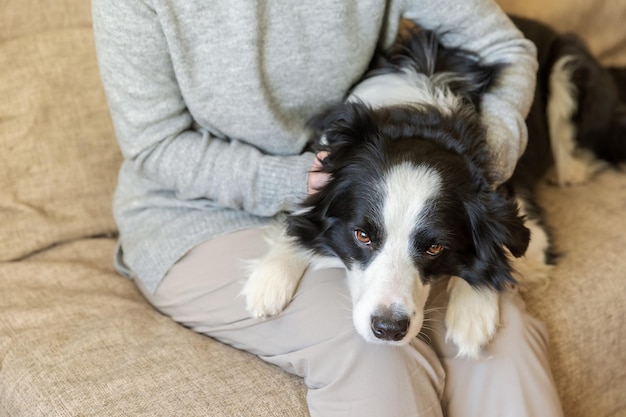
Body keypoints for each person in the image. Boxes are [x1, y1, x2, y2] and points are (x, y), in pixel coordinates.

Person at [92, 1, 564, 416]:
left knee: (502, 341)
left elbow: (507, 49)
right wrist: (309, 180)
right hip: (195, 211)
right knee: (376, 357)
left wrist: (479, 164)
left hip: (373, 190)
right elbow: (155, 145)